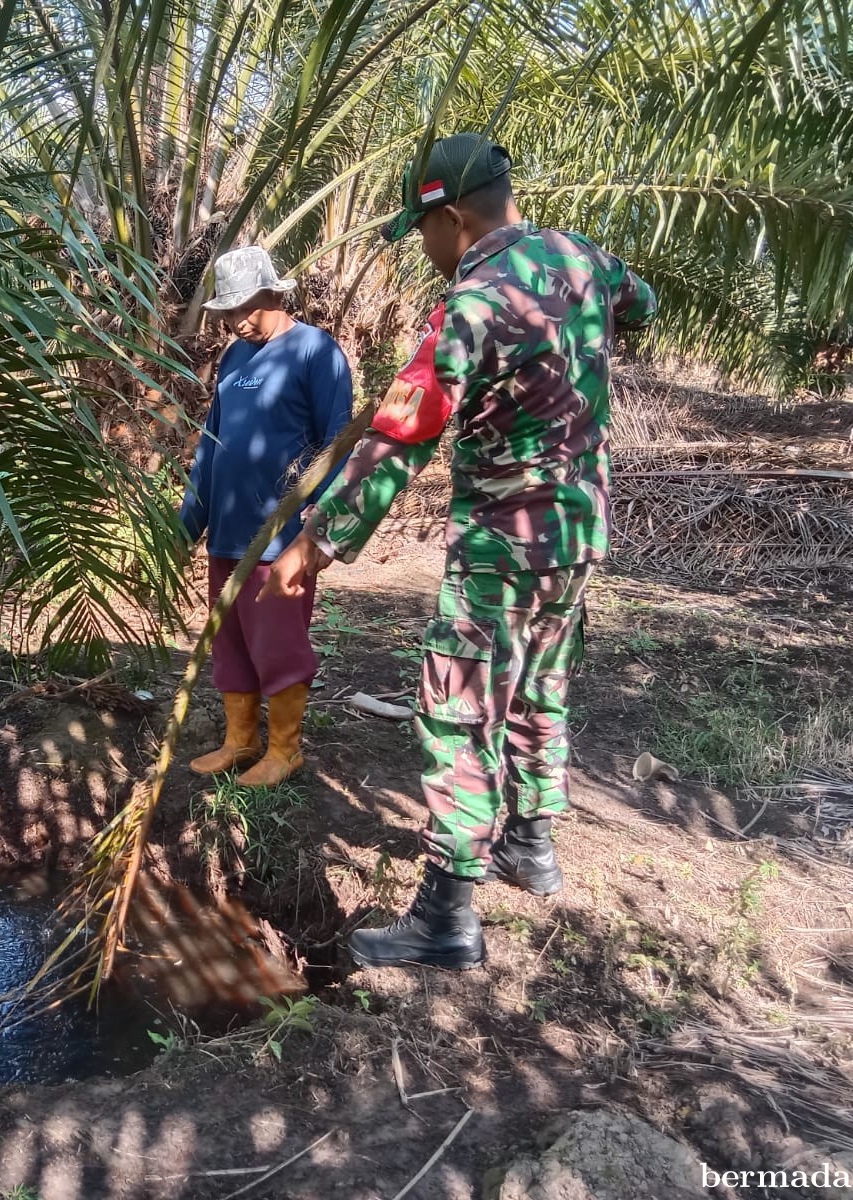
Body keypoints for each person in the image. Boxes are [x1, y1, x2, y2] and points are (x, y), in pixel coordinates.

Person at [261, 132, 657, 970]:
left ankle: (446, 914)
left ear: (450, 216)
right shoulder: (582, 258)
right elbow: (642, 299)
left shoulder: (470, 305)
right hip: (579, 534)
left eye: (425, 231)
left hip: (503, 542)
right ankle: (531, 843)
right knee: (541, 683)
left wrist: (316, 541)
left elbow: (402, 433)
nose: (427, 250)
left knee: (462, 704)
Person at [179, 245, 355, 788]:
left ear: (276, 294)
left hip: (280, 539)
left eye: (244, 307)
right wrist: (189, 518)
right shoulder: (233, 359)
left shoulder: (314, 352)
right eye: (227, 312)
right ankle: (240, 740)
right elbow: (211, 446)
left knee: (277, 641)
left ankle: (284, 750)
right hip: (228, 532)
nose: (235, 321)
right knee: (229, 638)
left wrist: (315, 526)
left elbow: (340, 444)